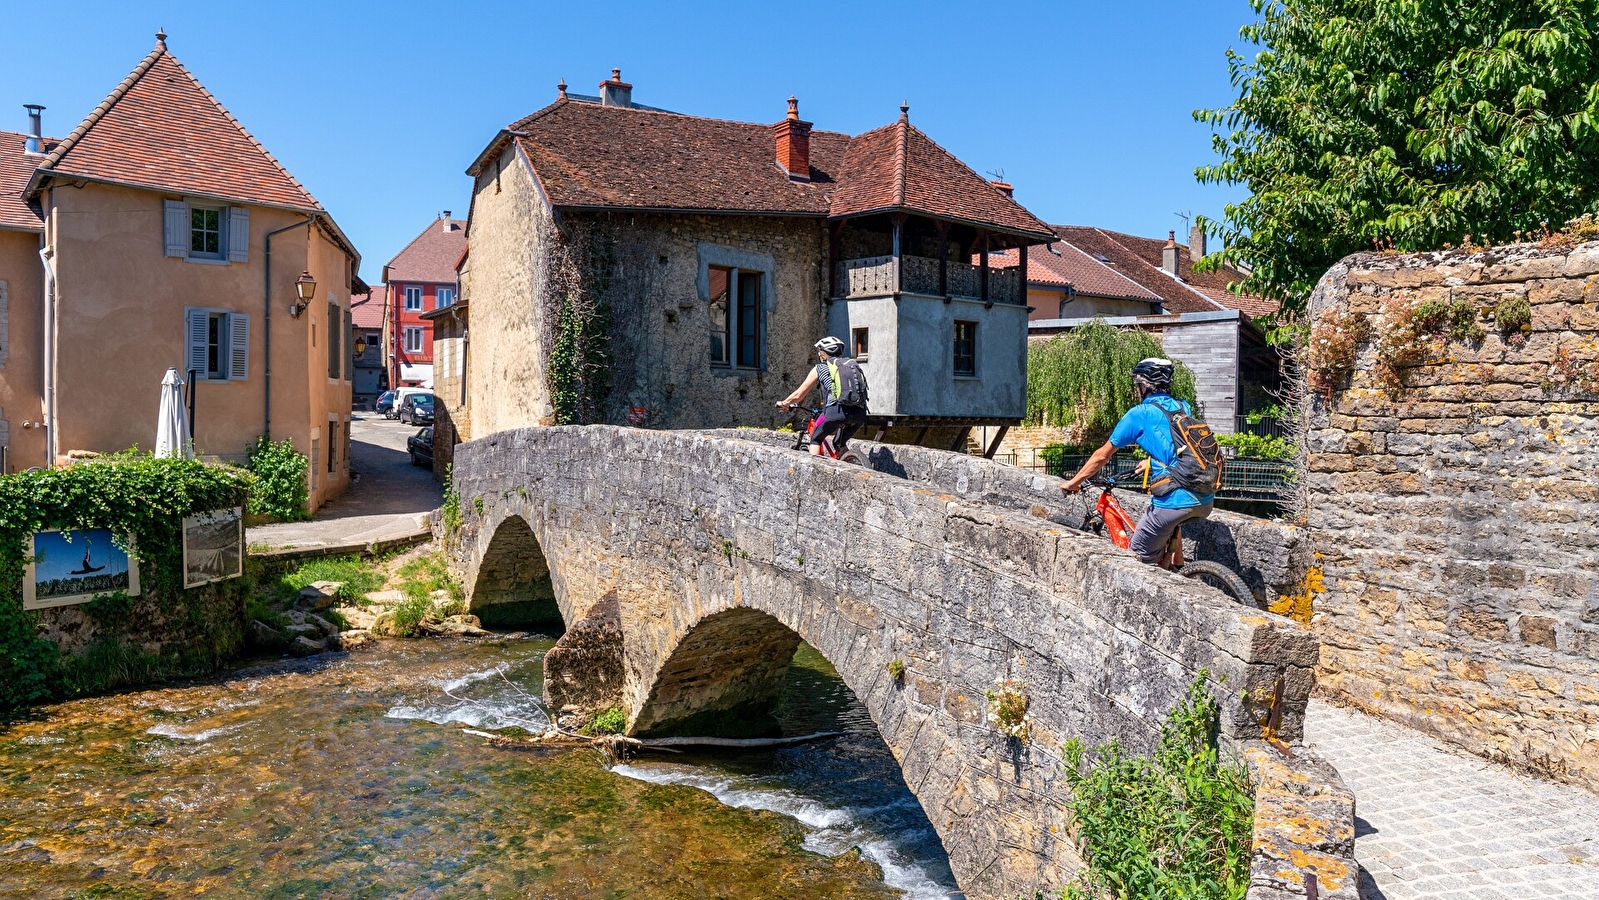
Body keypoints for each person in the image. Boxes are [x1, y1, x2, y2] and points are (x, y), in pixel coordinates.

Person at [1059, 358, 1215, 566]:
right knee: (1169, 529)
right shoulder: (1182, 406)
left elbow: (1101, 456)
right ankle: (1178, 567)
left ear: (1144, 385)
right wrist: (1150, 461)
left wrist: (1073, 483)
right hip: (1205, 497)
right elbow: (1176, 446)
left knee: (1136, 564)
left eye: (1137, 385)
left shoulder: (1139, 414)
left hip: (1175, 499)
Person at [776, 336, 869, 455]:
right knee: (839, 443)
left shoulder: (820, 368)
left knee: (816, 438)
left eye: (820, 352)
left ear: (824, 353)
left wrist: (784, 403)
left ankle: (814, 472)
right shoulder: (850, 365)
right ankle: (851, 460)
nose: (819, 355)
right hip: (859, 413)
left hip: (836, 412)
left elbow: (799, 394)